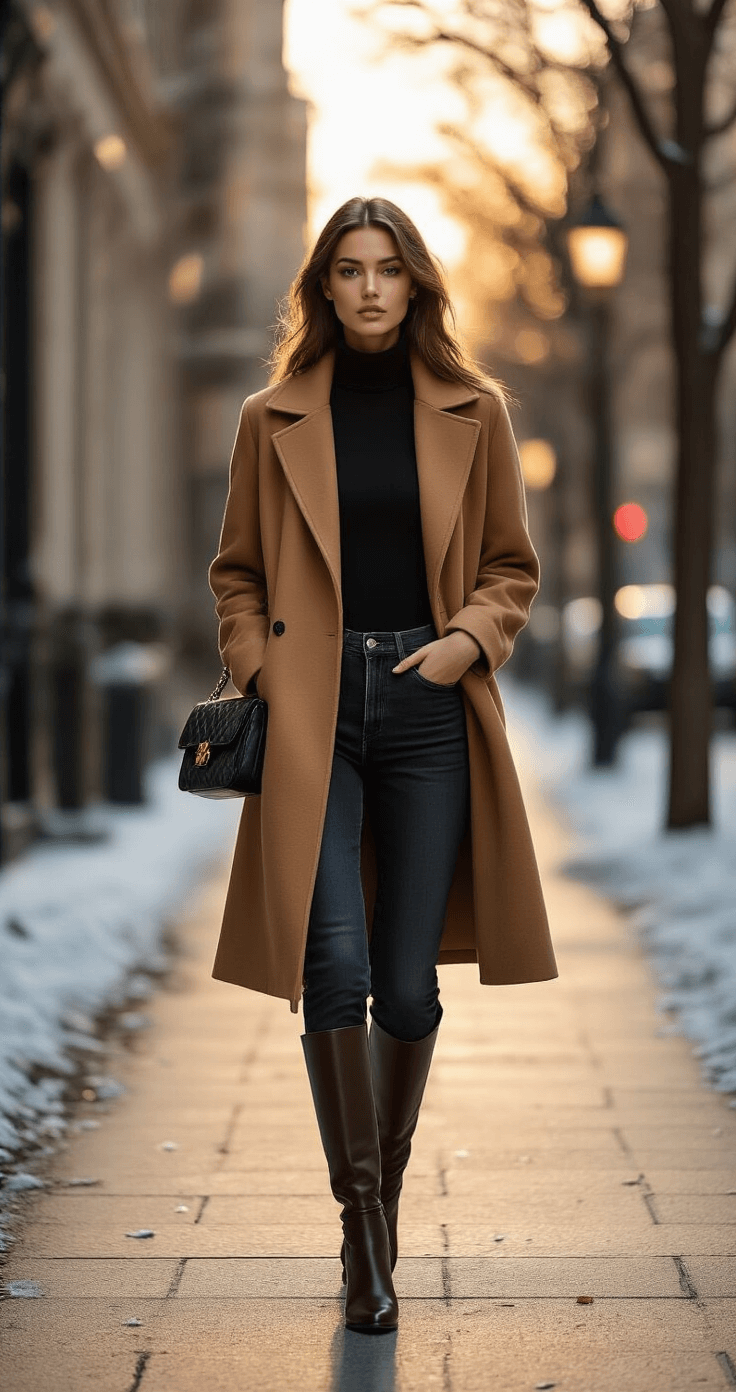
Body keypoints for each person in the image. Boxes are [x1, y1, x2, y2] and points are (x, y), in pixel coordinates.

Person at [207, 197, 557, 1334]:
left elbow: (510, 564)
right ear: (322, 288)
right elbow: (237, 575)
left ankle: (384, 1197)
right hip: (313, 710)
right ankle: (363, 1230)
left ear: (415, 287)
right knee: (335, 974)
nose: (367, 289)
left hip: (423, 702)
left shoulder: (475, 410)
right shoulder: (271, 418)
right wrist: (260, 670)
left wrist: (466, 643)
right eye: (348, 270)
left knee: (408, 990)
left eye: (387, 270)